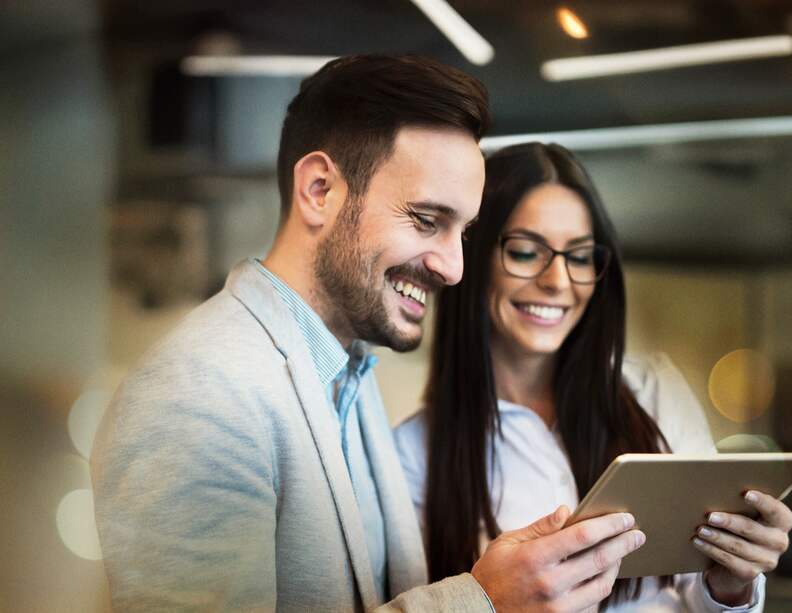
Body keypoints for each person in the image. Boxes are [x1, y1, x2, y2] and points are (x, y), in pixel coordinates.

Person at [91, 56, 646, 612]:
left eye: (464, 231)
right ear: (318, 189)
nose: (454, 267)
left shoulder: (343, 375)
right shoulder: (199, 394)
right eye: (427, 221)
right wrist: (483, 603)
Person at [394, 142, 792, 612]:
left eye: (580, 257)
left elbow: (698, 595)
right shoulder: (412, 453)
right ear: (471, 257)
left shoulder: (653, 392)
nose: (558, 281)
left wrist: (732, 583)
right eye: (525, 252)